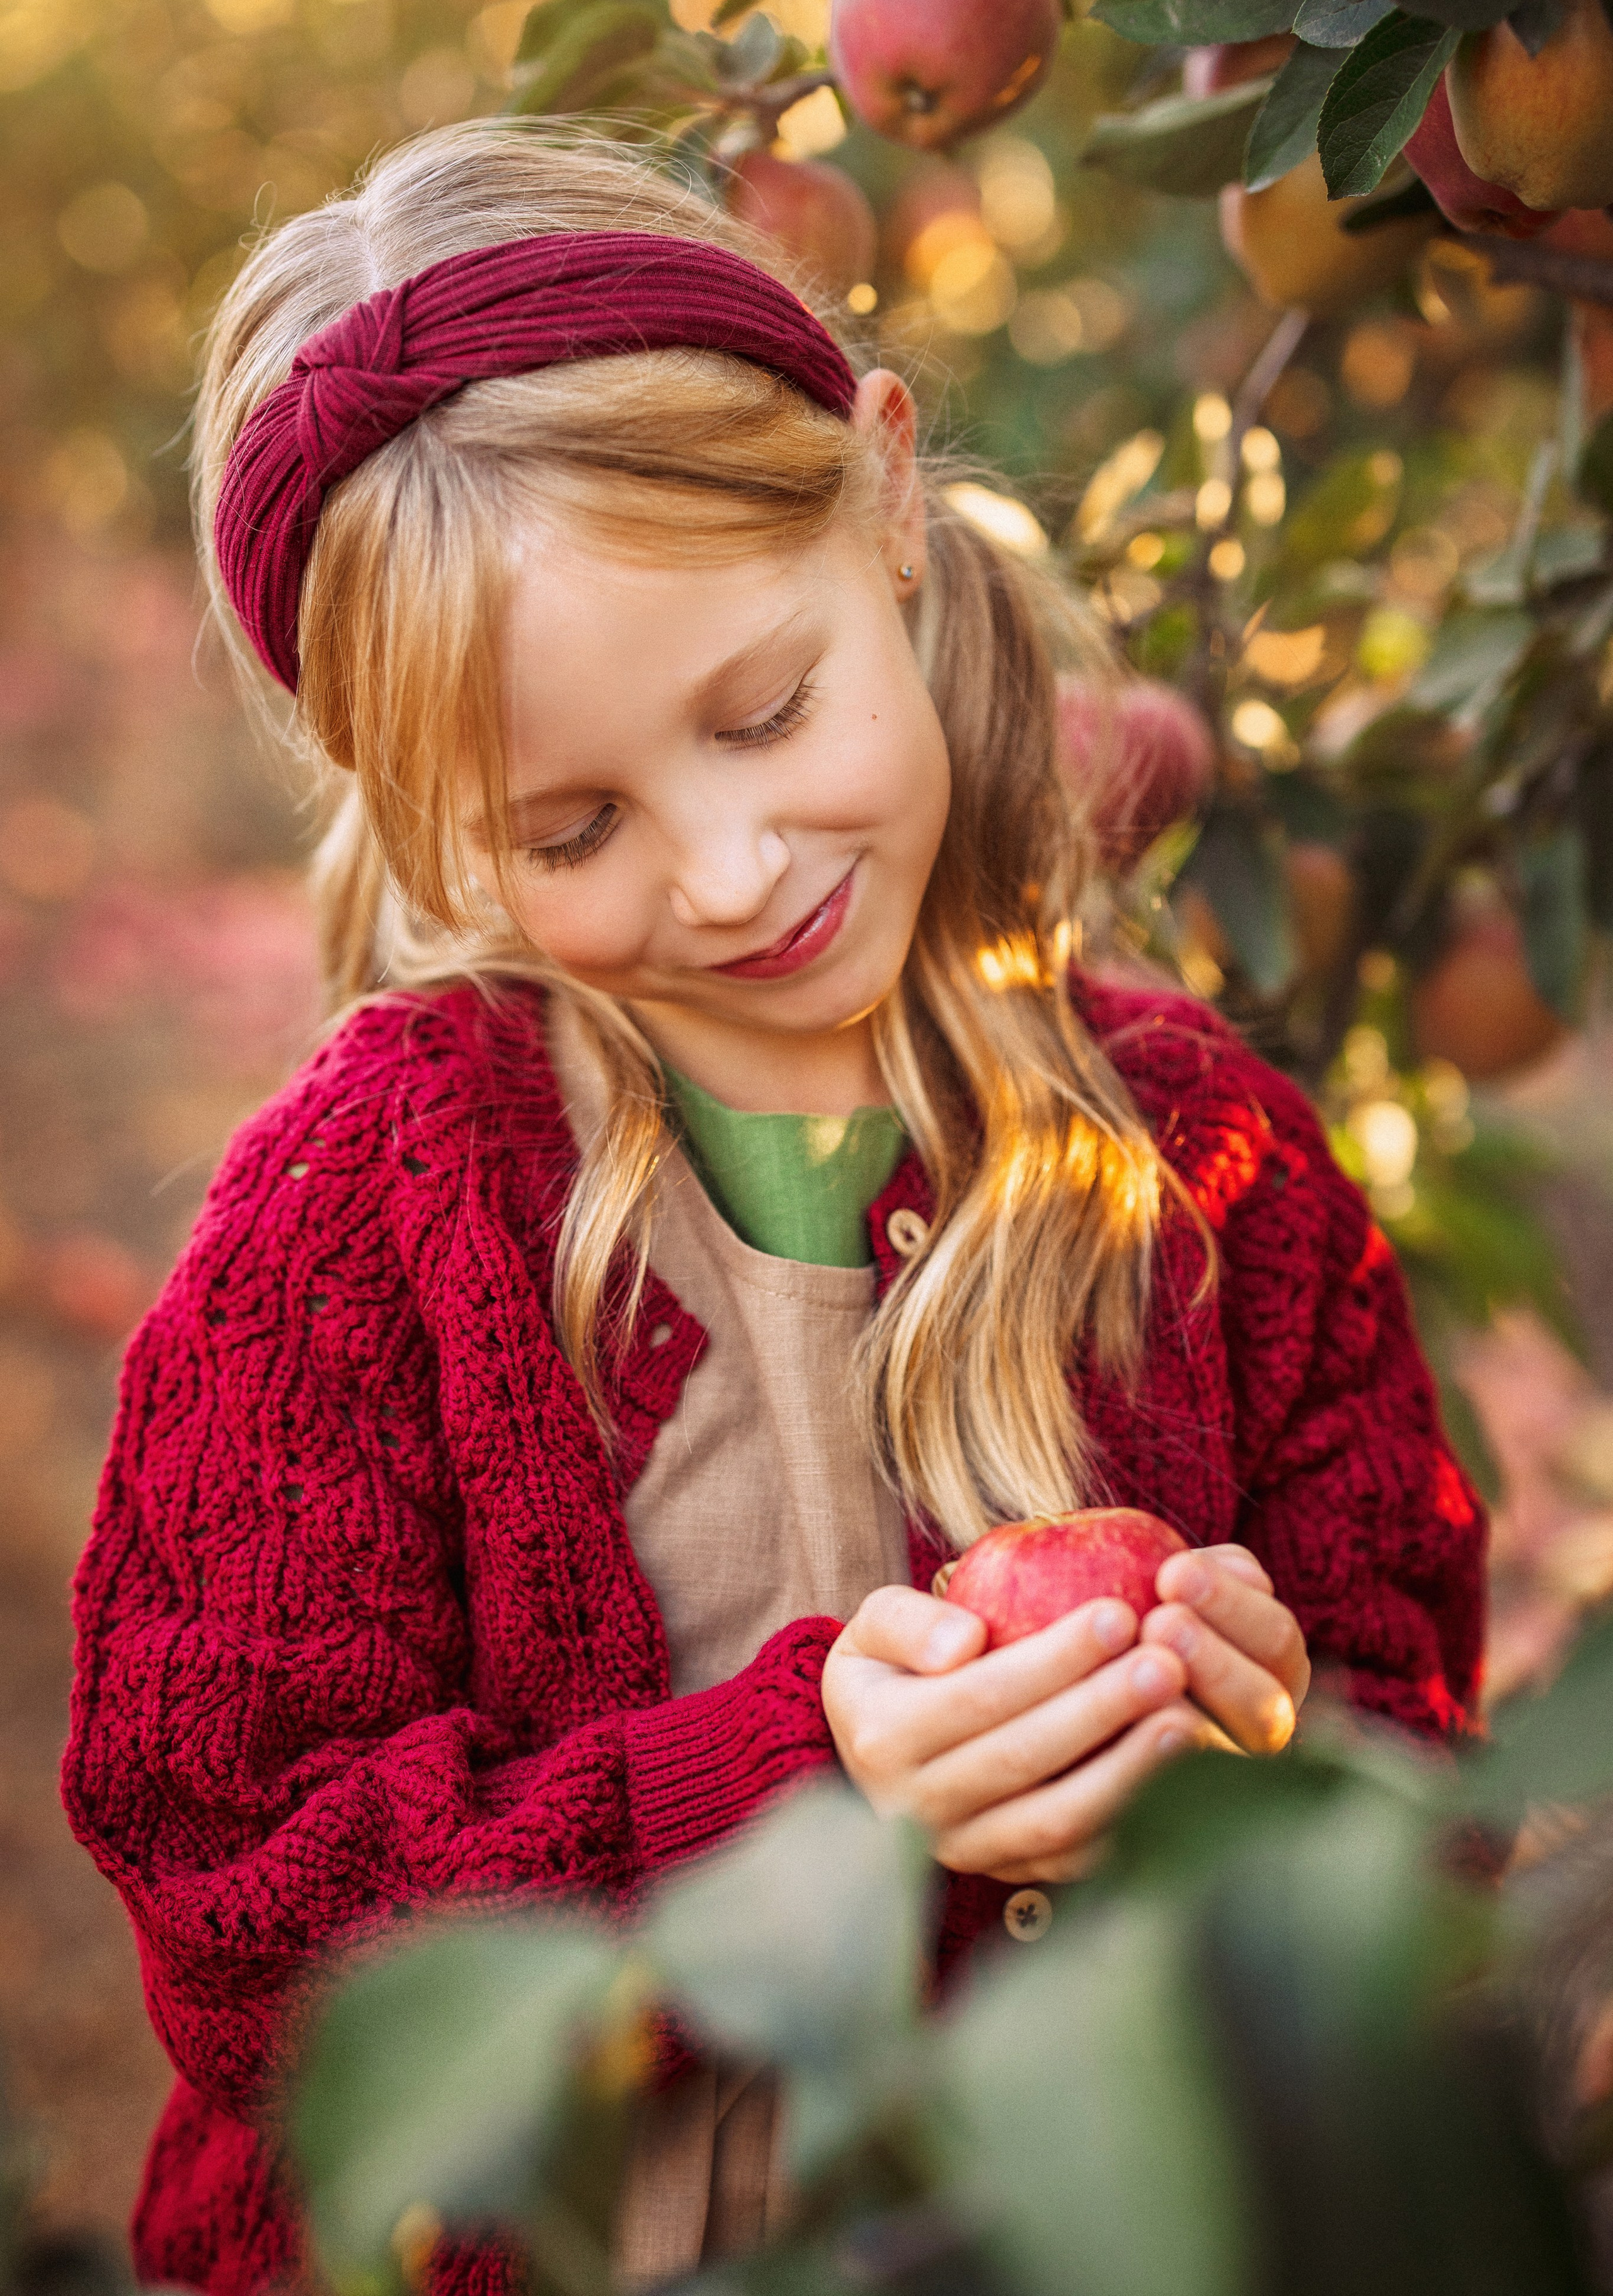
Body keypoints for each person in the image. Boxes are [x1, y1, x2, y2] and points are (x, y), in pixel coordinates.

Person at [62, 122, 1485, 2296]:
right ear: (428, 830)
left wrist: (1280, 1755)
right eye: (571, 827)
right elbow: (252, 1929)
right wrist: (796, 1780)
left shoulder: (1204, 1172)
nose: (729, 874)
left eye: (769, 710)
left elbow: (1410, 1778)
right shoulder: (359, 1224)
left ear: (888, 498)